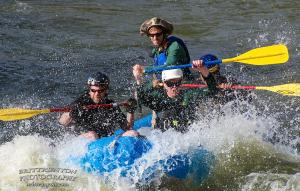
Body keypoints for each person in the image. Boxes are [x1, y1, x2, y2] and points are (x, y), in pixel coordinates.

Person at [132, 60, 218, 132]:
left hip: (187, 138)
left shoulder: (189, 95)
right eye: (170, 83)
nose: (174, 87)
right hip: (163, 139)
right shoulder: (158, 98)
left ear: (181, 82)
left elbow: (213, 90)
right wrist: (138, 79)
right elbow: (140, 97)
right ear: (164, 83)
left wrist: (203, 70)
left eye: (177, 83)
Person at [59, 72, 136, 140]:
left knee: (132, 133)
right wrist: (71, 113)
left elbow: (127, 127)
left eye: (100, 91)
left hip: (104, 141)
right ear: (89, 89)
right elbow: (62, 122)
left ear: (106, 90)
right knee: (93, 135)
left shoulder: (111, 105)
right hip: (84, 141)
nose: (96, 94)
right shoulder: (80, 103)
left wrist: (130, 110)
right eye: (93, 90)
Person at [139, 17, 194, 81]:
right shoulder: (157, 48)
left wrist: (144, 70)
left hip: (181, 83)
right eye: (152, 35)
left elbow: (168, 66)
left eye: (158, 34)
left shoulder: (175, 47)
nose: (155, 38)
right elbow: (157, 65)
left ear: (164, 34)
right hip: (163, 82)